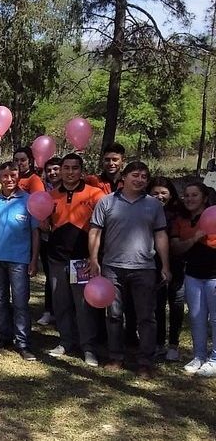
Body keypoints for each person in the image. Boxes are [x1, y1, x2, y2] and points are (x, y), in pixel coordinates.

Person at [89, 161, 170, 379]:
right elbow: (95, 231)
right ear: (124, 177)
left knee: (146, 317)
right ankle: (115, 356)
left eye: (145, 176)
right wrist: (94, 259)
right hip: (112, 268)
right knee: (114, 315)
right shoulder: (106, 202)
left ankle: (145, 362)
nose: (141, 180)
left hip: (144, 268)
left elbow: (160, 235)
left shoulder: (154, 205)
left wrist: (165, 265)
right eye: (136, 175)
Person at [45, 154, 104, 367]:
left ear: (81, 171)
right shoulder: (51, 196)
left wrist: (94, 256)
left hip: (82, 259)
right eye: (66, 168)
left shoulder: (96, 194)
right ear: (60, 171)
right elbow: (45, 227)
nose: (70, 172)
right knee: (61, 303)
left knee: (83, 305)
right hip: (57, 258)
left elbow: (101, 228)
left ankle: (88, 347)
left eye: (75, 168)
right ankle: (66, 341)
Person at [0, 162, 39, 361]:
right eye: (5, 175)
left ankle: (22, 342)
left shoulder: (29, 201)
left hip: (19, 259)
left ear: (18, 176)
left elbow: (35, 233)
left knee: (20, 302)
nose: (9, 179)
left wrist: (34, 260)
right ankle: (3, 335)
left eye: (13, 175)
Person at [170, 183, 216, 376]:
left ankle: (215, 358)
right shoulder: (180, 220)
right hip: (193, 275)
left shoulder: (214, 215)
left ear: (204, 198)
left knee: (215, 319)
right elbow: (176, 248)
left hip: (214, 276)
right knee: (196, 317)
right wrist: (194, 238)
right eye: (186, 195)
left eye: (194, 195)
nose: (189, 199)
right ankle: (199, 355)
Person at [148, 177, 185, 361]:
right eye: (155, 193)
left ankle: (174, 344)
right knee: (158, 305)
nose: (159, 196)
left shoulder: (180, 213)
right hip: (153, 264)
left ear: (171, 194)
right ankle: (158, 343)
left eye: (164, 193)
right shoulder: (145, 211)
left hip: (178, 264)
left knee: (176, 304)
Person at [37, 156, 62, 326]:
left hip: (71, 243)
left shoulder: (72, 190)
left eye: (56, 169)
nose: (52, 173)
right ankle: (49, 311)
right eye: (49, 170)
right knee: (50, 276)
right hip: (47, 241)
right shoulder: (45, 192)